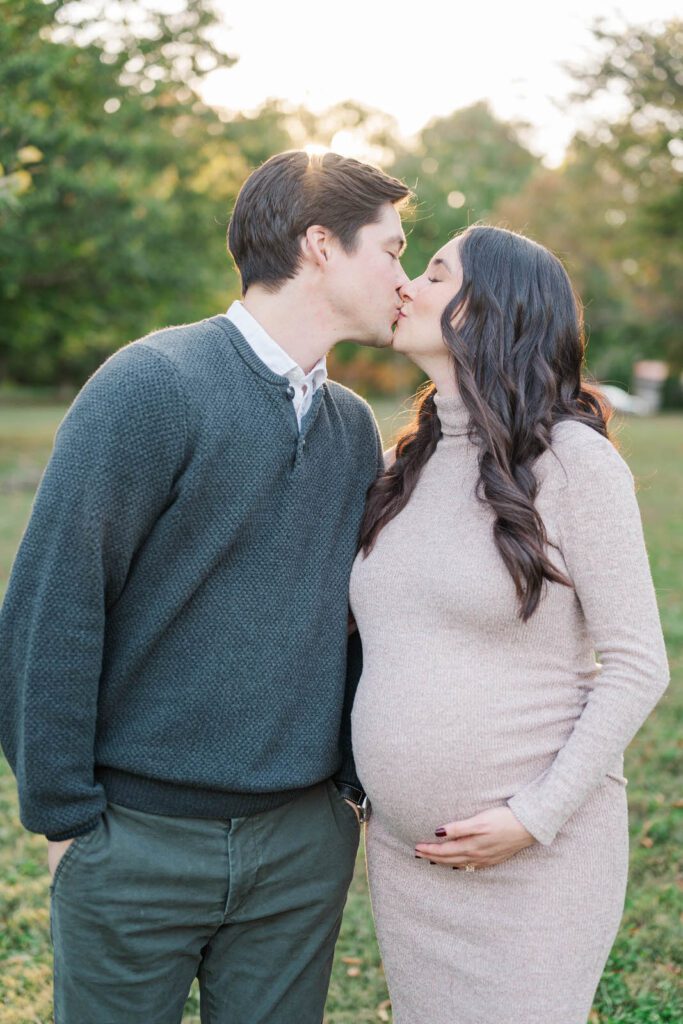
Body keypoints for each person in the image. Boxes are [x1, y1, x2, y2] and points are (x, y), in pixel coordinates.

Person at [0, 150, 411, 1024]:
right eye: (392, 249)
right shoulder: (152, 385)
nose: (403, 277)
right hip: (135, 842)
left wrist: (340, 793)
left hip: (300, 848)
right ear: (319, 246)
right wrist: (67, 817)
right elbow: (53, 602)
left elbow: (354, 623)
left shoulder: (348, 426)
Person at [349, 225, 669, 1024]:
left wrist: (532, 818)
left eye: (431, 273)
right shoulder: (403, 467)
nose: (405, 286)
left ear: (487, 308)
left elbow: (638, 665)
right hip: (406, 858)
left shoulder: (574, 463)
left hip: (539, 863)